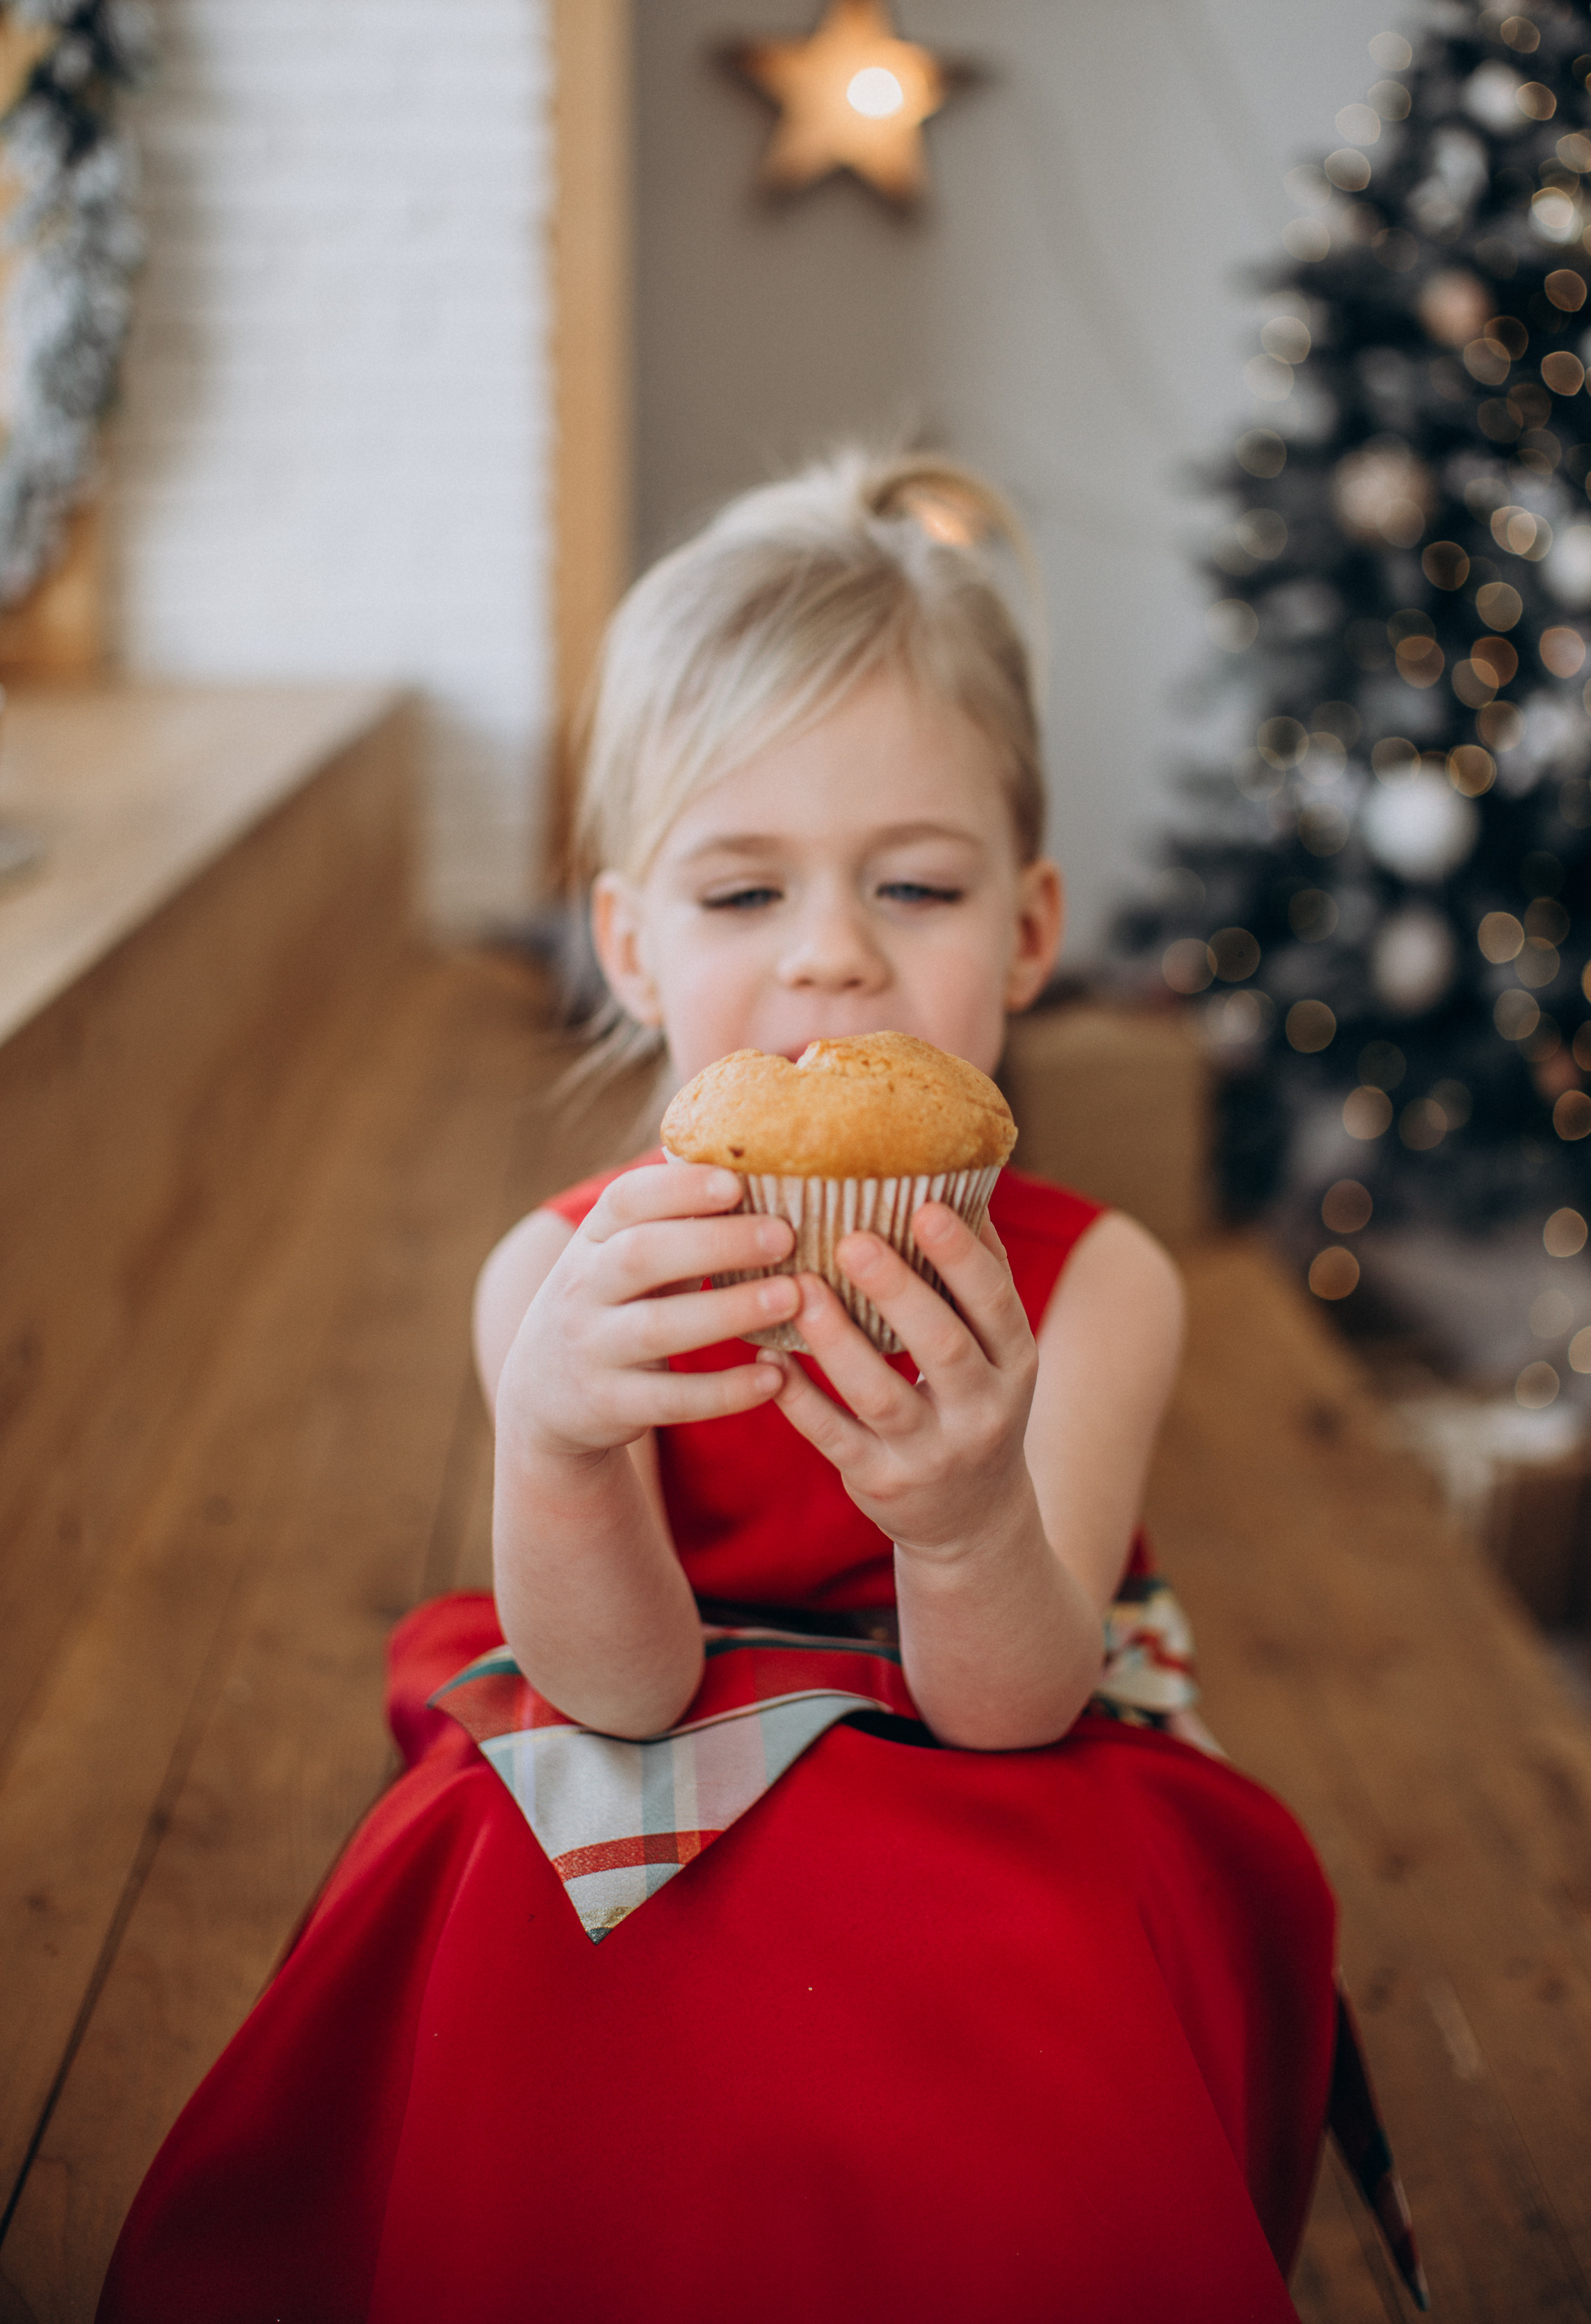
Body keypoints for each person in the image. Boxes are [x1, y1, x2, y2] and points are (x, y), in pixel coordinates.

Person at [99, 453, 1338, 2324]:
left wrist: (964, 1517)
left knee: (1051, 1944)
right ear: (630, 944)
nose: (833, 952)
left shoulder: (1099, 1287)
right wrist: (561, 1444)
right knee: (515, 1891)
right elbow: (617, 1691)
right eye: (745, 888)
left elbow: (1009, 1709)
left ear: (1026, 932)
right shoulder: (555, 1284)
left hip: (991, 1740)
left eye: (915, 883)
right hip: (662, 1721)